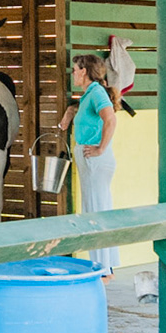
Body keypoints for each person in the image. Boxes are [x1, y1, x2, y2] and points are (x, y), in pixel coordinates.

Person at [57, 54, 120, 269]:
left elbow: (110, 119)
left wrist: (101, 148)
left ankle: (104, 269)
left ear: (84, 71)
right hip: (90, 162)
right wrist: (70, 111)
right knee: (94, 210)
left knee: (97, 213)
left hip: (96, 161)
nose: (73, 73)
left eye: (75, 69)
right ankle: (103, 266)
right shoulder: (89, 95)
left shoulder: (96, 93)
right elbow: (86, 113)